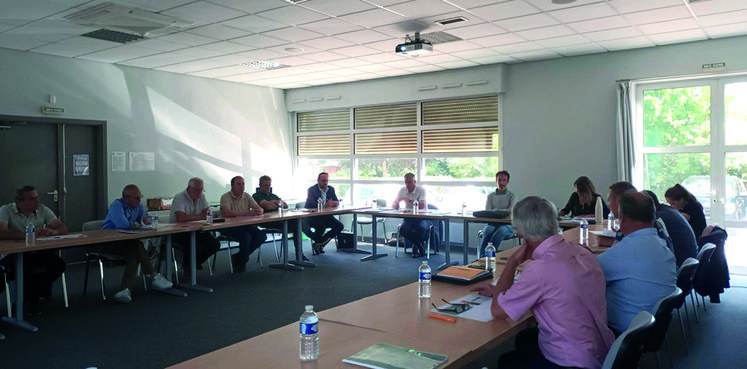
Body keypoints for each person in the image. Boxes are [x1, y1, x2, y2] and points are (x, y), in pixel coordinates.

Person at [471, 196, 614, 369]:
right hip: (598, 353)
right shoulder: (582, 252)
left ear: (521, 233)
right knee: (519, 346)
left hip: (569, 361)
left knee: (506, 362)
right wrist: (497, 292)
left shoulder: (540, 269)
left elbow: (498, 311)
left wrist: (513, 261)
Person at [596, 190, 677, 335]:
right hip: (650, 327)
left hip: (626, 331)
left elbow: (584, 274)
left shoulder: (625, 252)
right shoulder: (661, 245)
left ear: (623, 217)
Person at [0, 185, 67, 315]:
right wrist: (26, 234)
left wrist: (53, 231)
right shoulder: (6, 210)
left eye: (37, 198)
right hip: (13, 254)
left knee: (59, 265)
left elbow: (63, 228)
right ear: (19, 202)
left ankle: (31, 294)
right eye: (32, 199)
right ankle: (33, 302)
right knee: (27, 267)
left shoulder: (43, 210)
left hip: (37, 251)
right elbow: (0, 233)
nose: (38, 201)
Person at [101, 184, 173, 303]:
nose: (140, 200)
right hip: (107, 242)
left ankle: (125, 290)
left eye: (140, 197)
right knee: (136, 246)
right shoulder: (116, 205)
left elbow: (148, 218)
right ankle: (154, 276)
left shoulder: (138, 205)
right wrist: (139, 222)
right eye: (136, 198)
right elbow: (123, 225)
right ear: (126, 197)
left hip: (126, 242)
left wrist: (145, 220)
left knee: (134, 252)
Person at [169, 177, 220, 275]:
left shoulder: (202, 196)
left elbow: (208, 213)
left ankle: (192, 263)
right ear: (189, 188)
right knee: (195, 246)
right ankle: (190, 264)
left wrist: (205, 215)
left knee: (214, 244)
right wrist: (201, 216)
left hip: (197, 230)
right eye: (197, 190)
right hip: (179, 232)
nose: (199, 193)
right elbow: (181, 218)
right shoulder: (180, 197)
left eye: (201, 190)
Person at [252, 175, 308, 262]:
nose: (268, 187)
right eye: (265, 185)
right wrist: (277, 203)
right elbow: (268, 206)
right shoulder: (256, 195)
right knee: (297, 225)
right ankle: (309, 245)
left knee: (297, 224)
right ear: (260, 185)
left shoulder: (273, 195)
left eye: (269, 185)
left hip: (280, 220)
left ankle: (299, 255)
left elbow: (285, 205)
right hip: (267, 222)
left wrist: (273, 202)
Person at [219, 176, 266, 272]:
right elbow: (227, 213)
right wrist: (247, 213)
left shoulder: (247, 196)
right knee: (246, 236)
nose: (242, 187)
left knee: (261, 235)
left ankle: (240, 257)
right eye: (239, 184)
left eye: (243, 184)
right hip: (229, 227)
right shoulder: (225, 197)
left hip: (245, 225)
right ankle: (243, 259)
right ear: (232, 186)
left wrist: (260, 210)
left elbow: (258, 208)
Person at [642, 190, 698, 267]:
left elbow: (650, 246)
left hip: (680, 263)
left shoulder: (659, 219)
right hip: (688, 261)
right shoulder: (668, 210)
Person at [303, 172, 344, 255]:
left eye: (326, 181)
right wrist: (325, 205)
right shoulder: (312, 190)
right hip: (313, 216)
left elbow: (335, 201)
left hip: (325, 216)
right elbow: (311, 204)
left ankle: (320, 244)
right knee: (321, 227)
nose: (325, 183)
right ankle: (319, 242)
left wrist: (335, 203)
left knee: (339, 226)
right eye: (323, 180)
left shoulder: (331, 189)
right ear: (318, 180)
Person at [392, 173, 428, 258]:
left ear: (414, 182)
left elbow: (422, 205)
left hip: (421, 217)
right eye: (406, 182)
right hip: (408, 217)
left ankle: (415, 248)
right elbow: (394, 205)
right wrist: (396, 203)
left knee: (419, 229)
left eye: (409, 182)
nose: (407, 184)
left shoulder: (421, 190)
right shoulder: (402, 190)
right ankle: (419, 245)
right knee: (402, 230)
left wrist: (409, 200)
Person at [479, 170, 515, 255]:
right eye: (499, 180)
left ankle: (490, 256)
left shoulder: (512, 196)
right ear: (496, 181)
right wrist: (503, 212)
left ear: (507, 182)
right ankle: (481, 258)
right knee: (487, 231)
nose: (501, 182)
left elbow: (511, 210)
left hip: (508, 225)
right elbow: (488, 211)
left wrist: (495, 210)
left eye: (504, 180)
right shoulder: (490, 196)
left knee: (500, 232)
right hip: (492, 223)